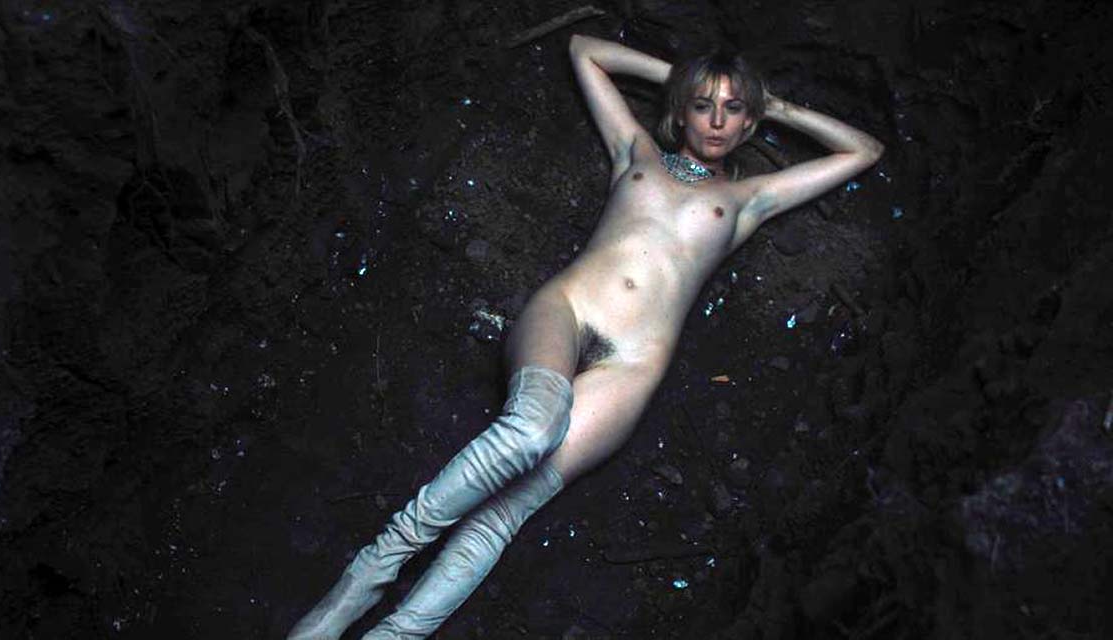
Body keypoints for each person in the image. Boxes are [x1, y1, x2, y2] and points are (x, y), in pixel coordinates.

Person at [288, 33, 884, 639]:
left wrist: (772, 105)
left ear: (749, 122)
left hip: (632, 365)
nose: (716, 121)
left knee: (504, 513)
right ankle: (365, 576)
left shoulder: (748, 200)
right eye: (703, 105)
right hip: (569, 310)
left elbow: (863, 150)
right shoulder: (637, 151)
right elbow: (584, 51)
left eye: (733, 110)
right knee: (532, 428)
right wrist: (684, 79)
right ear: (681, 110)